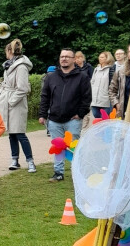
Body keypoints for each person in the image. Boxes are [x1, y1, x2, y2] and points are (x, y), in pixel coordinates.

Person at [39, 49, 91, 182]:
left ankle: (77, 173)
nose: (64, 59)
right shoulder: (51, 76)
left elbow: (87, 98)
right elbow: (45, 96)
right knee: (58, 148)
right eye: (62, 56)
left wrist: (80, 114)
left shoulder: (82, 77)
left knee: (74, 147)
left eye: (68, 57)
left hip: (73, 119)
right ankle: (58, 173)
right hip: (54, 119)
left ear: (74, 59)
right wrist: (43, 114)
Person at [0, 38, 35, 173]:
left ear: (9, 51)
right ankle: (15, 159)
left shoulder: (21, 66)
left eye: (6, 52)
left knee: (19, 133)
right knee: (11, 133)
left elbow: (23, 88)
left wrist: (11, 101)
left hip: (16, 103)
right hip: (8, 100)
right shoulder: (9, 65)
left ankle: (30, 161)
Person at [90, 51, 116, 118]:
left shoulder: (111, 69)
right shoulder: (96, 69)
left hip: (106, 100)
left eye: (102, 57)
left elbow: (113, 84)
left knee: (105, 120)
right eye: (99, 57)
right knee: (96, 116)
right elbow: (92, 82)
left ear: (107, 58)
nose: (100, 58)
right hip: (94, 99)